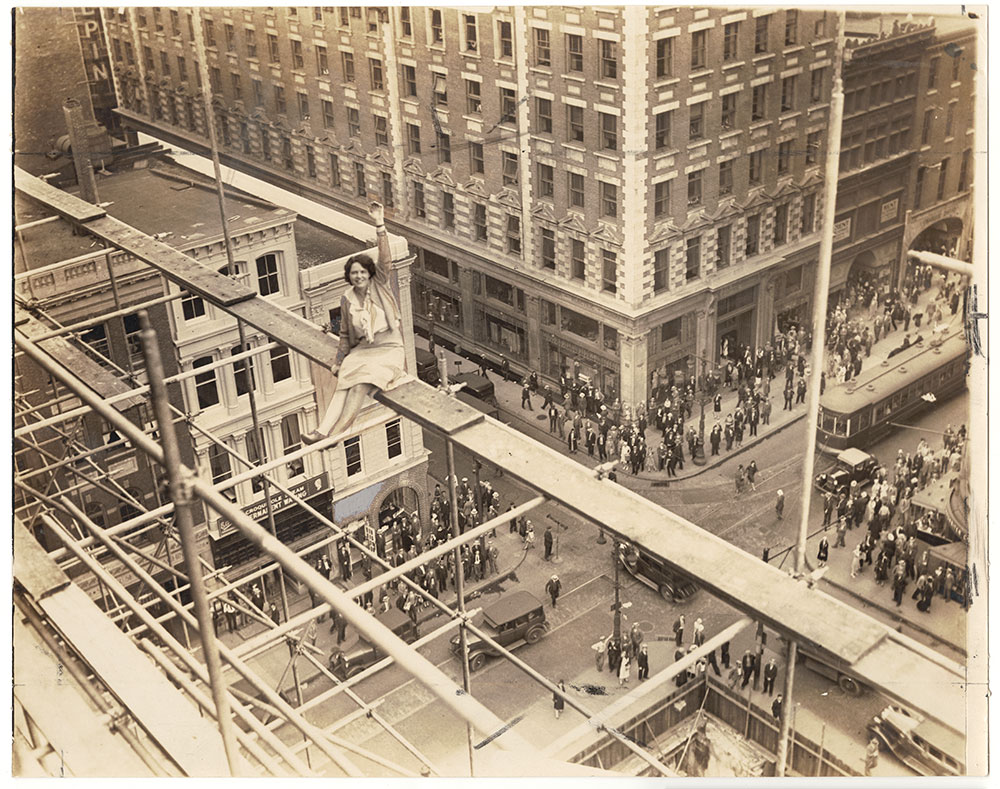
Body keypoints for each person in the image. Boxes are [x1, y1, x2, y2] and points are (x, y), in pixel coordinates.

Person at [304, 202, 406, 445]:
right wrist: (339, 362)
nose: (358, 276)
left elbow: (386, 259)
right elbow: (346, 336)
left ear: (369, 273)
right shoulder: (347, 299)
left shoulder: (379, 284)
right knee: (344, 382)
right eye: (354, 273)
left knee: (358, 386)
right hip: (363, 352)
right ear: (348, 276)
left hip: (389, 350)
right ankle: (322, 431)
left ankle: (336, 435)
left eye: (362, 272)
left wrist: (379, 224)